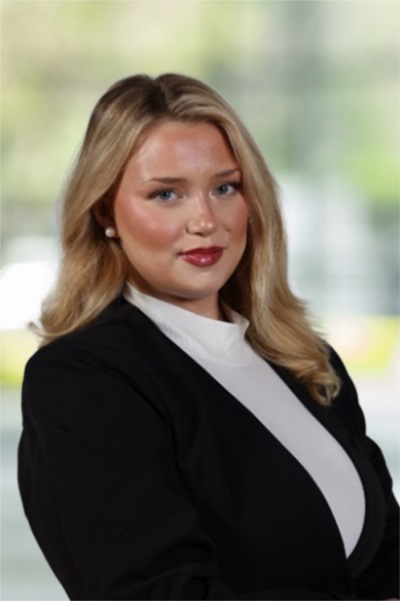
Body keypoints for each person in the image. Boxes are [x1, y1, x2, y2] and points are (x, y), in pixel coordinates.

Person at [18, 73, 399, 601]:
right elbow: (154, 593)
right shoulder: (84, 379)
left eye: (225, 188)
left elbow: (385, 555)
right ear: (105, 211)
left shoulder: (305, 360)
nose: (205, 220)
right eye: (166, 194)